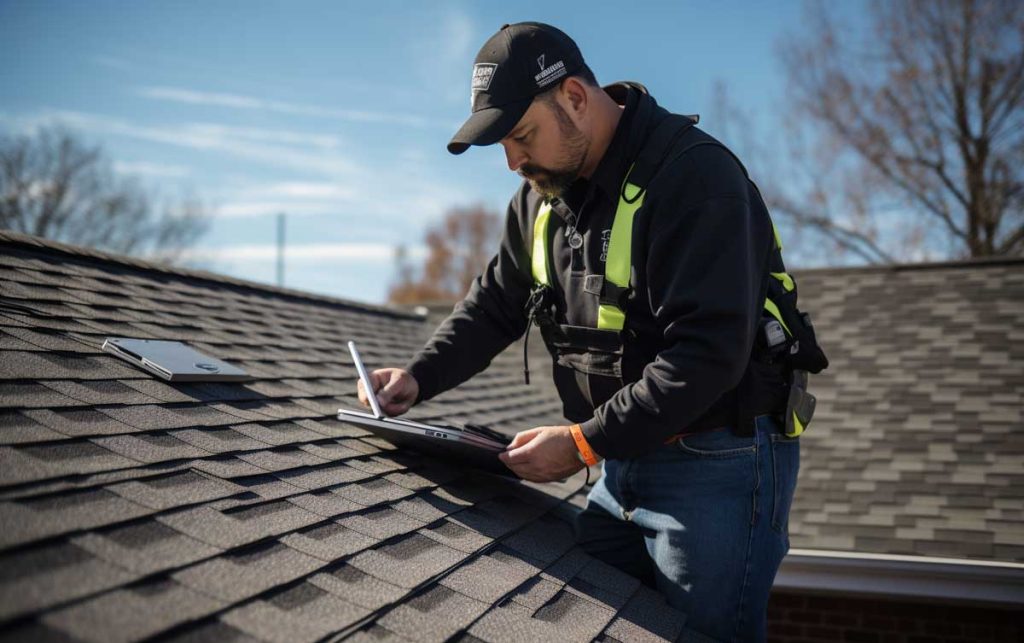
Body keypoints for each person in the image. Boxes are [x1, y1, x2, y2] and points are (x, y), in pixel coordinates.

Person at [357, 22, 804, 642]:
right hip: (619, 462)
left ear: (573, 97)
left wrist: (580, 445)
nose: (512, 162)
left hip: (717, 463)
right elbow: (495, 304)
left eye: (520, 136)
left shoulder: (695, 179)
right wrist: (416, 376)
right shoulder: (541, 196)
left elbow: (706, 355)